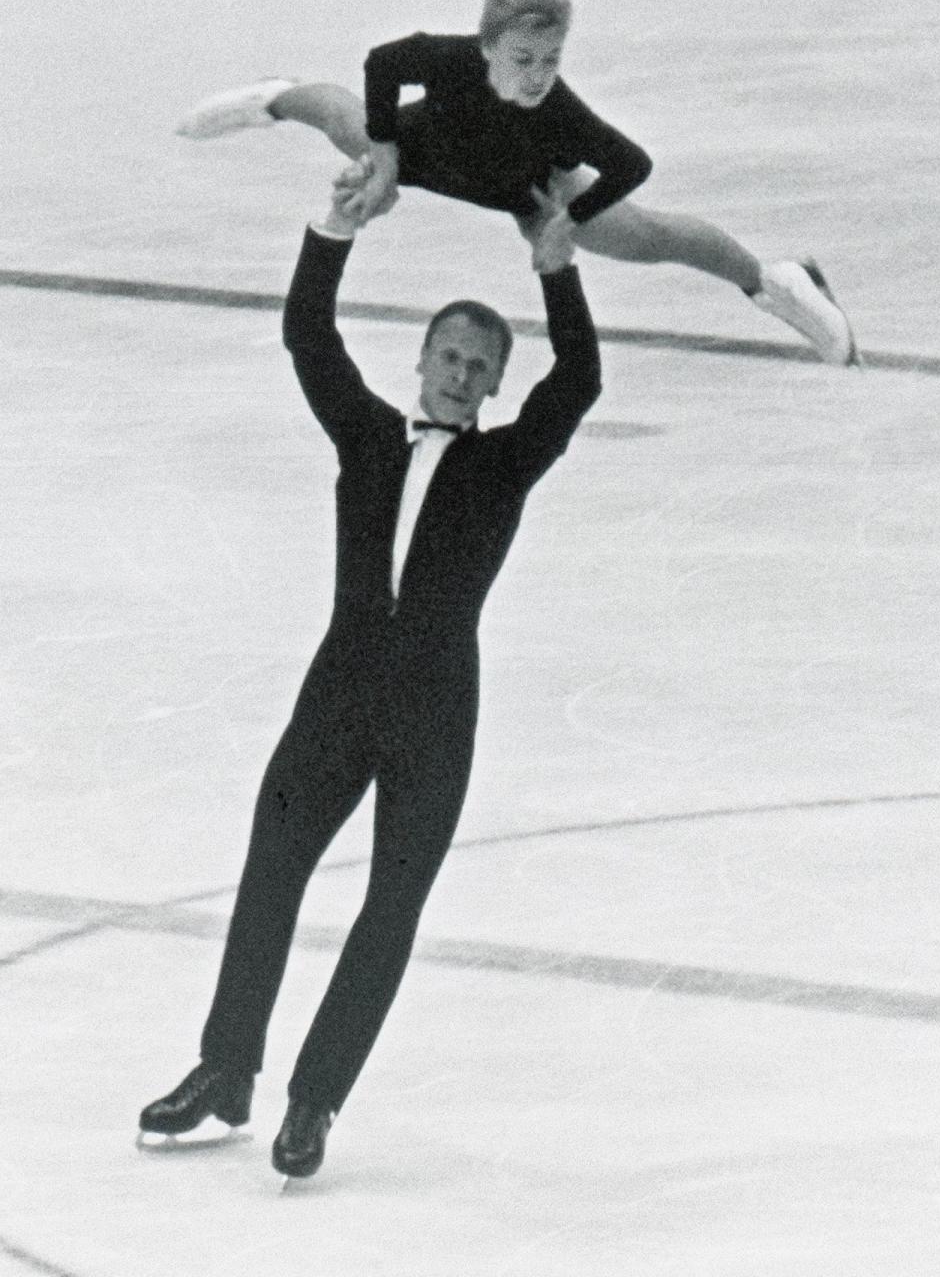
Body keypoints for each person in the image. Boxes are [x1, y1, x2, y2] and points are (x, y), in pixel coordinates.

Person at [138, 176, 601, 1180]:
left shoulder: (506, 465)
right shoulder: (367, 436)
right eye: (448, 356)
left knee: (389, 911)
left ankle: (313, 1103)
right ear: (424, 357)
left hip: (436, 713)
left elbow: (581, 383)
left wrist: (557, 270)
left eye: (479, 368)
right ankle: (225, 1070)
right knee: (270, 873)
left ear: (489, 387)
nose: (459, 375)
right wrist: (334, 229)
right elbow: (310, 334)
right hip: (338, 693)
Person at [177, 0, 858, 366]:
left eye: (552, 60)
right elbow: (384, 62)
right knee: (341, 121)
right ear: (488, 46)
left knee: (649, 238)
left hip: (527, 185)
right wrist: (384, 152)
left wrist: (569, 218)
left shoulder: (561, 113)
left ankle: (774, 282)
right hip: (427, 149)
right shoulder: (449, 59)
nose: (538, 76)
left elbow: (631, 163)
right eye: (524, 60)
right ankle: (272, 98)